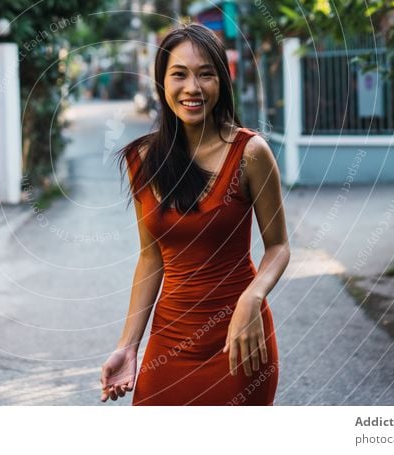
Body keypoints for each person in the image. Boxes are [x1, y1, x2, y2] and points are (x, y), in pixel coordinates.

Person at [100, 23, 290, 406]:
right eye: (179, 74)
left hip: (240, 341)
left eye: (206, 74)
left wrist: (252, 299)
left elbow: (279, 246)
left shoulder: (251, 152)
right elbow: (151, 257)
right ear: (161, 82)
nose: (192, 87)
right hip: (168, 341)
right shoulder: (142, 159)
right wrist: (128, 346)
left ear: (221, 82)